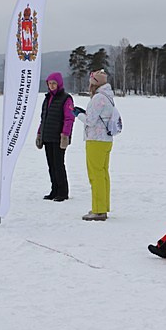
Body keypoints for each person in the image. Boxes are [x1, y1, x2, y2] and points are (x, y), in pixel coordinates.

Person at [75, 69, 114, 221]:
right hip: (105, 140)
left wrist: (78, 114)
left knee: (95, 174)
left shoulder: (98, 98)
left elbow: (90, 121)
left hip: (96, 140)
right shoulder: (108, 96)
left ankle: (98, 210)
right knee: (103, 174)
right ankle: (103, 206)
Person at [35, 72, 75, 202]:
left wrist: (65, 135)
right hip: (48, 136)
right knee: (51, 165)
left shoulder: (66, 98)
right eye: (49, 83)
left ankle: (63, 191)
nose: (51, 86)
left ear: (59, 84)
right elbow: (43, 118)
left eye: (54, 83)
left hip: (59, 137)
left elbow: (69, 118)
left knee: (59, 164)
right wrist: (40, 133)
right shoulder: (47, 99)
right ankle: (54, 189)